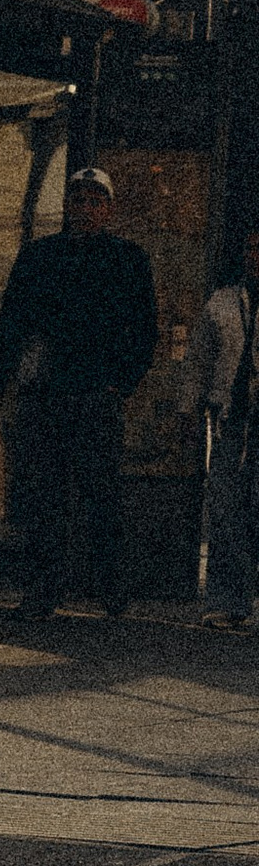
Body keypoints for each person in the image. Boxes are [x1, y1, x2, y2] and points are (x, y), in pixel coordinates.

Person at [0, 164, 161, 616]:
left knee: (98, 495)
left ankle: (107, 587)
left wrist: (121, 383)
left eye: (94, 201)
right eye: (79, 200)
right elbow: (12, 324)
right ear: (69, 207)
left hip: (91, 392)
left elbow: (144, 331)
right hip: (53, 392)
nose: (85, 209)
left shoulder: (118, 260)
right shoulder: (48, 258)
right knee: (49, 497)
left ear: (109, 209)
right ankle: (55, 587)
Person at [189, 222, 259, 627]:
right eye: (251, 248)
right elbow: (200, 359)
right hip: (231, 418)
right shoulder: (222, 302)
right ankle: (229, 599)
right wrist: (188, 409)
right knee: (226, 507)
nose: (256, 256)